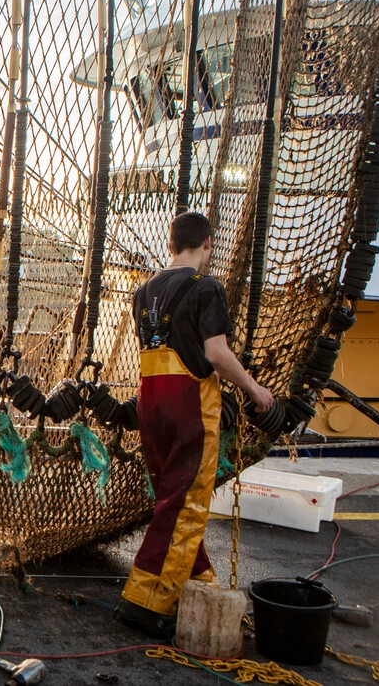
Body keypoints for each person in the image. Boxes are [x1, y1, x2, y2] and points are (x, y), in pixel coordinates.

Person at [115, 212, 275, 639]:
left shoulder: (143, 292)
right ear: (206, 243)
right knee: (185, 501)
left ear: (171, 245)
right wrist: (254, 390)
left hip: (151, 400)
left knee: (172, 496)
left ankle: (196, 581)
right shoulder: (206, 288)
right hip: (189, 402)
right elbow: (216, 353)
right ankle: (144, 600)